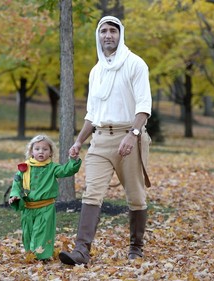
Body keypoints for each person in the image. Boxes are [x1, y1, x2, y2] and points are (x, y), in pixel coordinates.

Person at [59, 15, 152, 265]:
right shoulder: (96, 71)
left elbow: (144, 105)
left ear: (120, 34)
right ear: (98, 36)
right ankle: (81, 250)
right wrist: (79, 141)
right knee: (92, 193)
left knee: (135, 197)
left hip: (128, 138)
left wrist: (133, 135)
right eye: (103, 31)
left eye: (112, 31)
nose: (107, 35)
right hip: (100, 140)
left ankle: (136, 247)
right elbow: (92, 113)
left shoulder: (135, 64)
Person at [9, 134, 81, 261]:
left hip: (45, 208)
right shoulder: (25, 168)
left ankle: (41, 257)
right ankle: (30, 254)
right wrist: (15, 195)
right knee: (28, 233)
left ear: (51, 152)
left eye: (45, 149)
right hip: (28, 208)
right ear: (31, 151)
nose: (41, 152)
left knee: (41, 232)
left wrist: (73, 160)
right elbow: (17, 183)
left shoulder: (53, 168)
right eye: (37, 149)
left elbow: (67, 170)